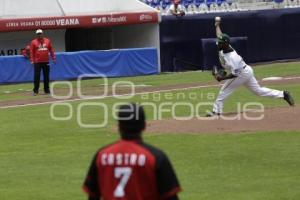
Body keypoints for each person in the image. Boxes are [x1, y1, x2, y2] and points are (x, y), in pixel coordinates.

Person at [83, 103, 181, 200]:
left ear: (119, 126)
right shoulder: (155, 157)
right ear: (144, 126)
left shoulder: (102, 155)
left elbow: (93, 195)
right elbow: (170, 196)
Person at [207, 17, 294, 116]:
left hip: (241, 74)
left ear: (226, 44)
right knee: (258, 91)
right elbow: (219, 35)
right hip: (247, 71)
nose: (218, 43)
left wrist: (222, 78)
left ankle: (216, 111)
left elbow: (236, 74)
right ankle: (283, 94)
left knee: (224, 91)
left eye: (221, 42)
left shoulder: (233, 57)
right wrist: (217, 25)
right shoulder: (224, 46)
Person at [30, 29, 56, 95]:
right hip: (37, 62)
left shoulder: (47, 41)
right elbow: (31, 52)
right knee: (37, 76)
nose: (39, 35)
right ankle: (35, 91)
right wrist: (32, 60)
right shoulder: (33, 42)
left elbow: (51, 50)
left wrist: (54, 58)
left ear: (42, 33)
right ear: (36, 35)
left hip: (46, 61)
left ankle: (46, 90)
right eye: (38, 34)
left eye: (40, 33)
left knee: (46, 76)